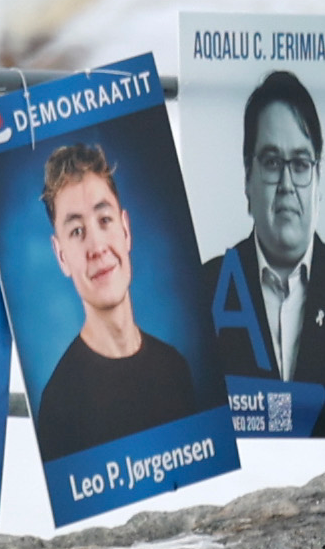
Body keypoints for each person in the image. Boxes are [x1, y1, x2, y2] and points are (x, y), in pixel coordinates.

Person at [208, 68, 325, 437]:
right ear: (246, 178)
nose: (287, 185)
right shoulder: (200, 294)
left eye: (301, 165)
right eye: (272, 162)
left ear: (318, 181)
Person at [26, 137, 212, 462]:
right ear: (61, 256)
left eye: (104, 220)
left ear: (125, 230)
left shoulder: (176, 368)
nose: (97, 246)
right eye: (77, 231)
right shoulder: (59, 404)